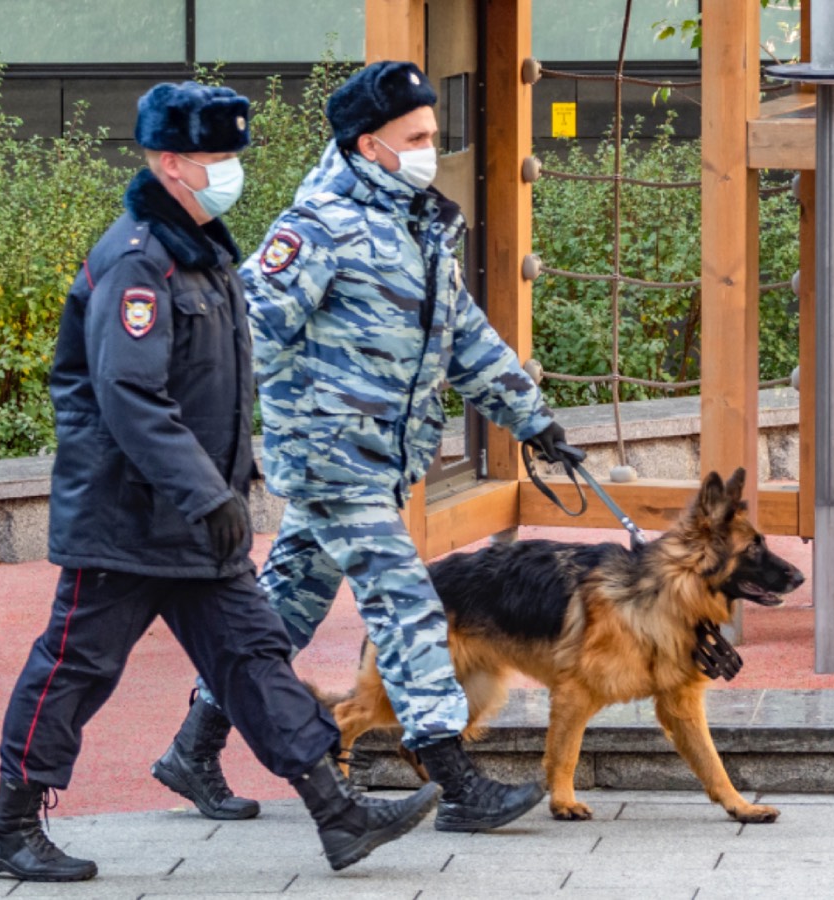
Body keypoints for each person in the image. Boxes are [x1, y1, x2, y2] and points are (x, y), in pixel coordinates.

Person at [0, 81, 440, 883]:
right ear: (167, 161)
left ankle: (337, 813)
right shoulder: (135, 261)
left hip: (196, 516)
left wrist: (225, 486)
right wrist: (207, 493)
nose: (229, 169)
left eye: (232, 154)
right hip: (127, 519)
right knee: (75, 667)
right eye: (214, 156)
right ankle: (10, 825)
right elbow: (129, 396)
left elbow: (214, 387)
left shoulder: (206, 252)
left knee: (255, 657)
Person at [157, 61, 580, 833]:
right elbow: (241, 329)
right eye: (415, 136)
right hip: (330, 460)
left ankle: (194, 746)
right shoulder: (316, 227)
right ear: (368, 144)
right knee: (409, 604)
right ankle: (455, 778)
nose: (431, 146)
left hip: (381, 462)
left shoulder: (417, 223)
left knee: (279, 613)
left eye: (432, 133)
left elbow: (466, 338)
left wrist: (534, 421)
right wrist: (197, 439)